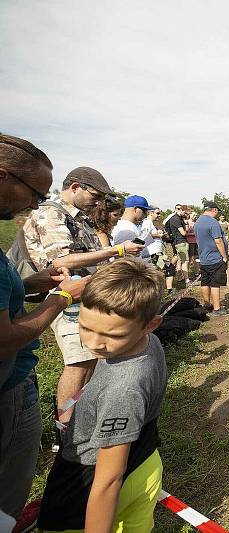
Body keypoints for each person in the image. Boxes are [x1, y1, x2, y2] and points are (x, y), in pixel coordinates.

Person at [37, 258, 168, 532]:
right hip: (145, 463)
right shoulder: (147, 342)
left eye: (112, 335)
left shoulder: (122, 390)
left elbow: (108, 480)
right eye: (86, 327)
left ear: (151, 324)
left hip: (90, 480)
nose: (94, 343)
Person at [0, 134, 90, 520]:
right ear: (4, 177)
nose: (36, 204)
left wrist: (32, 284)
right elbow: (3, 339)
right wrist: (63, 297)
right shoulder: (53, 218)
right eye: (35, 192)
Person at [18, 166, 144, 437]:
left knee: (90, 359)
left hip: (84, 297)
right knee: (77, 362)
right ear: (75, 187)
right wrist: (117, 250)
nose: (98, 203)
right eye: (95, 195)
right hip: (67, 298)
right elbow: (61, 261)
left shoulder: (80, 218)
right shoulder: (51, 214)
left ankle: (81, 420)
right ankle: (65, 430)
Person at [194, 202, 229, 316]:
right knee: (215, 283)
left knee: (205, 281)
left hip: (203, 258)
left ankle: (207, 305)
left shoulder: (198, 222)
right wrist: (224, 256)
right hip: (215, 258)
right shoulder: (213, 222)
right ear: (214, 210)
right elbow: (218, 241)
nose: (217, 213)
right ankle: (217, 309)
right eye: (217, 211)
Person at [111, 195, 156, 262]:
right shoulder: (125, 229)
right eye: (144, 211)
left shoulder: (129, 226)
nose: (146, 214)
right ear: (136, 209)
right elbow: (125, 258)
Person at [142, 208, 174, 293]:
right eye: (158, 213)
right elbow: (145, 235)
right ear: (151, 213)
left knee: (163, 269)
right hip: (154, 251)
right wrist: (159, 234)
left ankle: (165, 290)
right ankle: (163, 291)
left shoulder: (151, 223)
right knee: (168, 268)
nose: (159, 215)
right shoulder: (147, 222)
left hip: (156, 251)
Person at [165, 205, 189, 280]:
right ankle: (187, 281)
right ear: (180, 210)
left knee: (180, 261)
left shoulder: (180, 218)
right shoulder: (175, 219)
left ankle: (179, 278)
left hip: (181, 242)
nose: (186, 214)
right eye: (185, 212)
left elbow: (186, 230)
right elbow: (184, 233)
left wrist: (186, 222)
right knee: (185, 262)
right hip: (180, 242)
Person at [186, 211, 198, 276]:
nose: (195, 216)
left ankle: (196, 272)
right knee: (190, 258)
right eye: (193, 215)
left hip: (196, 242)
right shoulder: (187, 222)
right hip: (189, 242)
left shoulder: (197, 223)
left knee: (197, 257)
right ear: (190, 215)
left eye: (196, 215)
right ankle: (187, 273)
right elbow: (185, 232)